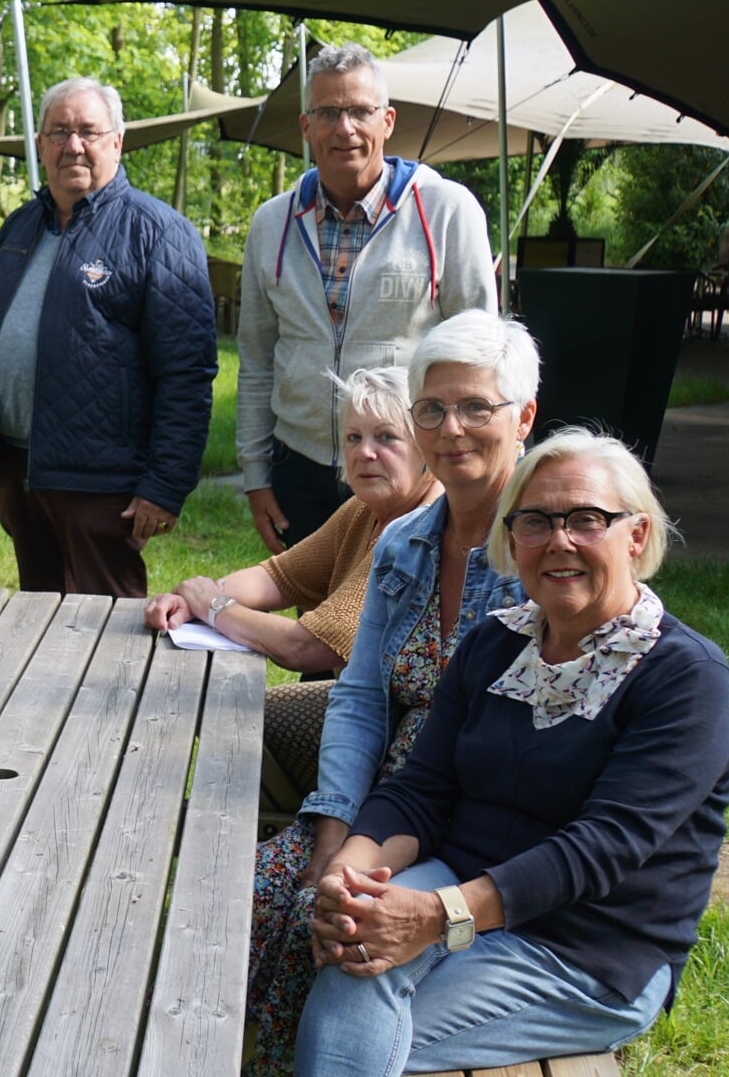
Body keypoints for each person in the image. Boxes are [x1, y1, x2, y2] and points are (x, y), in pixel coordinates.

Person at [294, 429, 729, 1075]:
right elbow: (420, 791)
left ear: (636, 535)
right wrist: (348, 876)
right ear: (512, 539)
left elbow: (600, 848)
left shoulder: (685, 677)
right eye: (535, 520)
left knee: (375, 1034)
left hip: (587, 945)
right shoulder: (494, 644)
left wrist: (434, 914)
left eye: (586, 519)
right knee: (357, 958)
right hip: (457, 888)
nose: (559, 540)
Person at [246, 311, 538, 1075]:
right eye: (433, 408)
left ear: (524, 417)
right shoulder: (407, 538)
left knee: (338, 933)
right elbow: (360, 697)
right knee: (255, 897)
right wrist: (336, 828)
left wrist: (368, 863)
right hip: (382, 802)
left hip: (474, 833)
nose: (452, 428)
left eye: (476, 407)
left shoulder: (545, 545)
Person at [0, 76, 217, 597]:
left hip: (104, 481)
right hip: (21, 470)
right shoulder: (18, 229)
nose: (74, 145)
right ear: (42, 145)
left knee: (104, 639)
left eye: (89, 132)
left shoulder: (159, 233)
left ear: (117, 141)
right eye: (60, 132)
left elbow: (187, 371)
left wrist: (165, 485)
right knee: (38, 622)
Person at [237, 43, 496, 554]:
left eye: (360, 111)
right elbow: (256, 357)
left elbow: (481, 355)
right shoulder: (272, 223)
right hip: (301, 465)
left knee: (408, 618)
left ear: (388, 121)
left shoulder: (445, 210)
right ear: (306, 126)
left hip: (410, 466)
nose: (345, 128)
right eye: (328, 113)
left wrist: (467, 470)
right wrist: (255, 474)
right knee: (314, 622)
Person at [145, 366, 436, 673]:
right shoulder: (363, 510)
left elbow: (309, 647)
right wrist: (192, 599)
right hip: (358, 705)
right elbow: (280, 576)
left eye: (386, 437)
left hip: (397, 720)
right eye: (353, 437)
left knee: (225, 714)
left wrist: (213, 606)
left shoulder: (417, 531)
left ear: (426, 445)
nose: (364, 452)